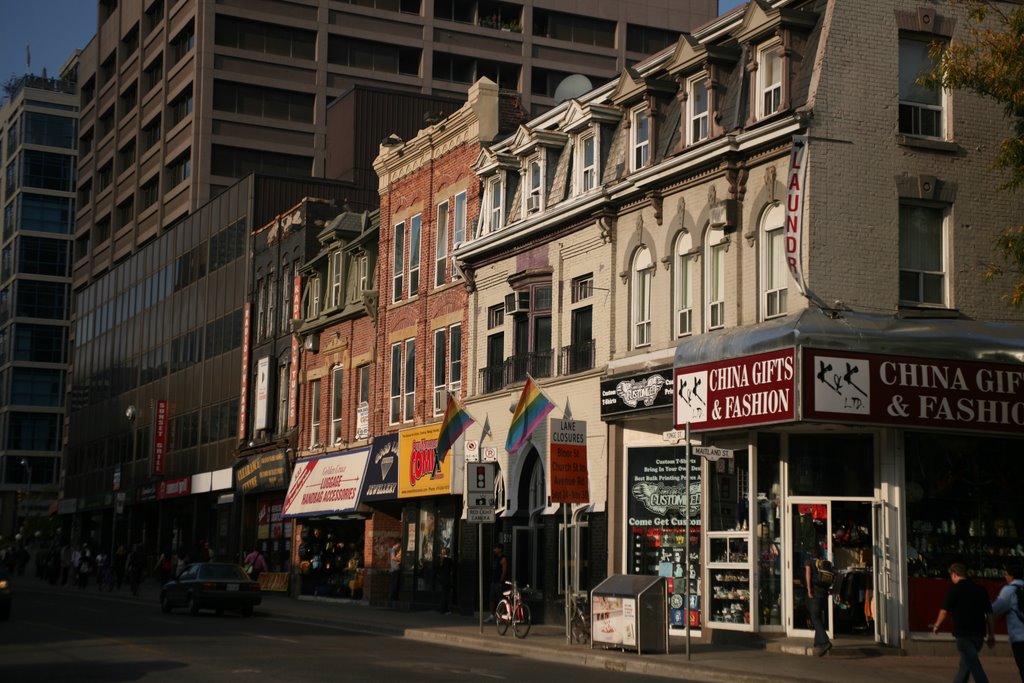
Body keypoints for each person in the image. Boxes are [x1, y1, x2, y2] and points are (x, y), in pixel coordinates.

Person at [932, 562, 995, 683]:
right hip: (979, 635)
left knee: (973, 664)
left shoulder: (955, 589)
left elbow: (944, 611)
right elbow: (989, 615)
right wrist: (992, 634)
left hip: (963, 634)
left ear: (954, 575)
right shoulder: (981, 590)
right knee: (966, 664)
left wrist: (937, 625)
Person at [991, 562, 1024, 681]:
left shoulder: (1008, 590)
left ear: (1011, 576)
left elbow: (995, 609)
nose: (1005, 577)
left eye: (1006, 574)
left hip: (1019, 637)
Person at [804, 545, 831, 656]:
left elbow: (808, 574)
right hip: (824, 594)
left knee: (815, 617)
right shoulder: (823, 562)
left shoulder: (809, 562)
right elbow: (835, 575)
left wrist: (809, 590)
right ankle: (818, 643)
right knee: (818, 617)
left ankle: (825, 642)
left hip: (815, 593)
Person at [485, 544, 508, 623]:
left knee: (501, 599)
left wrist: (501, 580)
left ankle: (501, 616)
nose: (494, 550)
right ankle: (492, 615)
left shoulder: (503, 559)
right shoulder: (495, 558)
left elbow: (504, 571)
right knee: (491, 599)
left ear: (500, 550)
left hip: (499, 583)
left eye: (496, 548)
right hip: (494, 582)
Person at [437, 546, 453, 614]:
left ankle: (442, 609)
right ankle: (444, 609)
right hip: (446, 578)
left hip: (441, 578)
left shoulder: (441, 559)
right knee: (446, 594)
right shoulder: (448, 560)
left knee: (443, 594)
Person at [388, 539, 402, 604]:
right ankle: (393, 597)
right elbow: (393, 558)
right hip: (395, 569)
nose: (399, 546)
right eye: (399, 544)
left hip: (395, 568)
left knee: (396, 583)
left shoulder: (394, 550)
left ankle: (394, 597)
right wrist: (400, 559)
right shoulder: (393, 549)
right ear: (397, 544)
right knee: (394, 583)